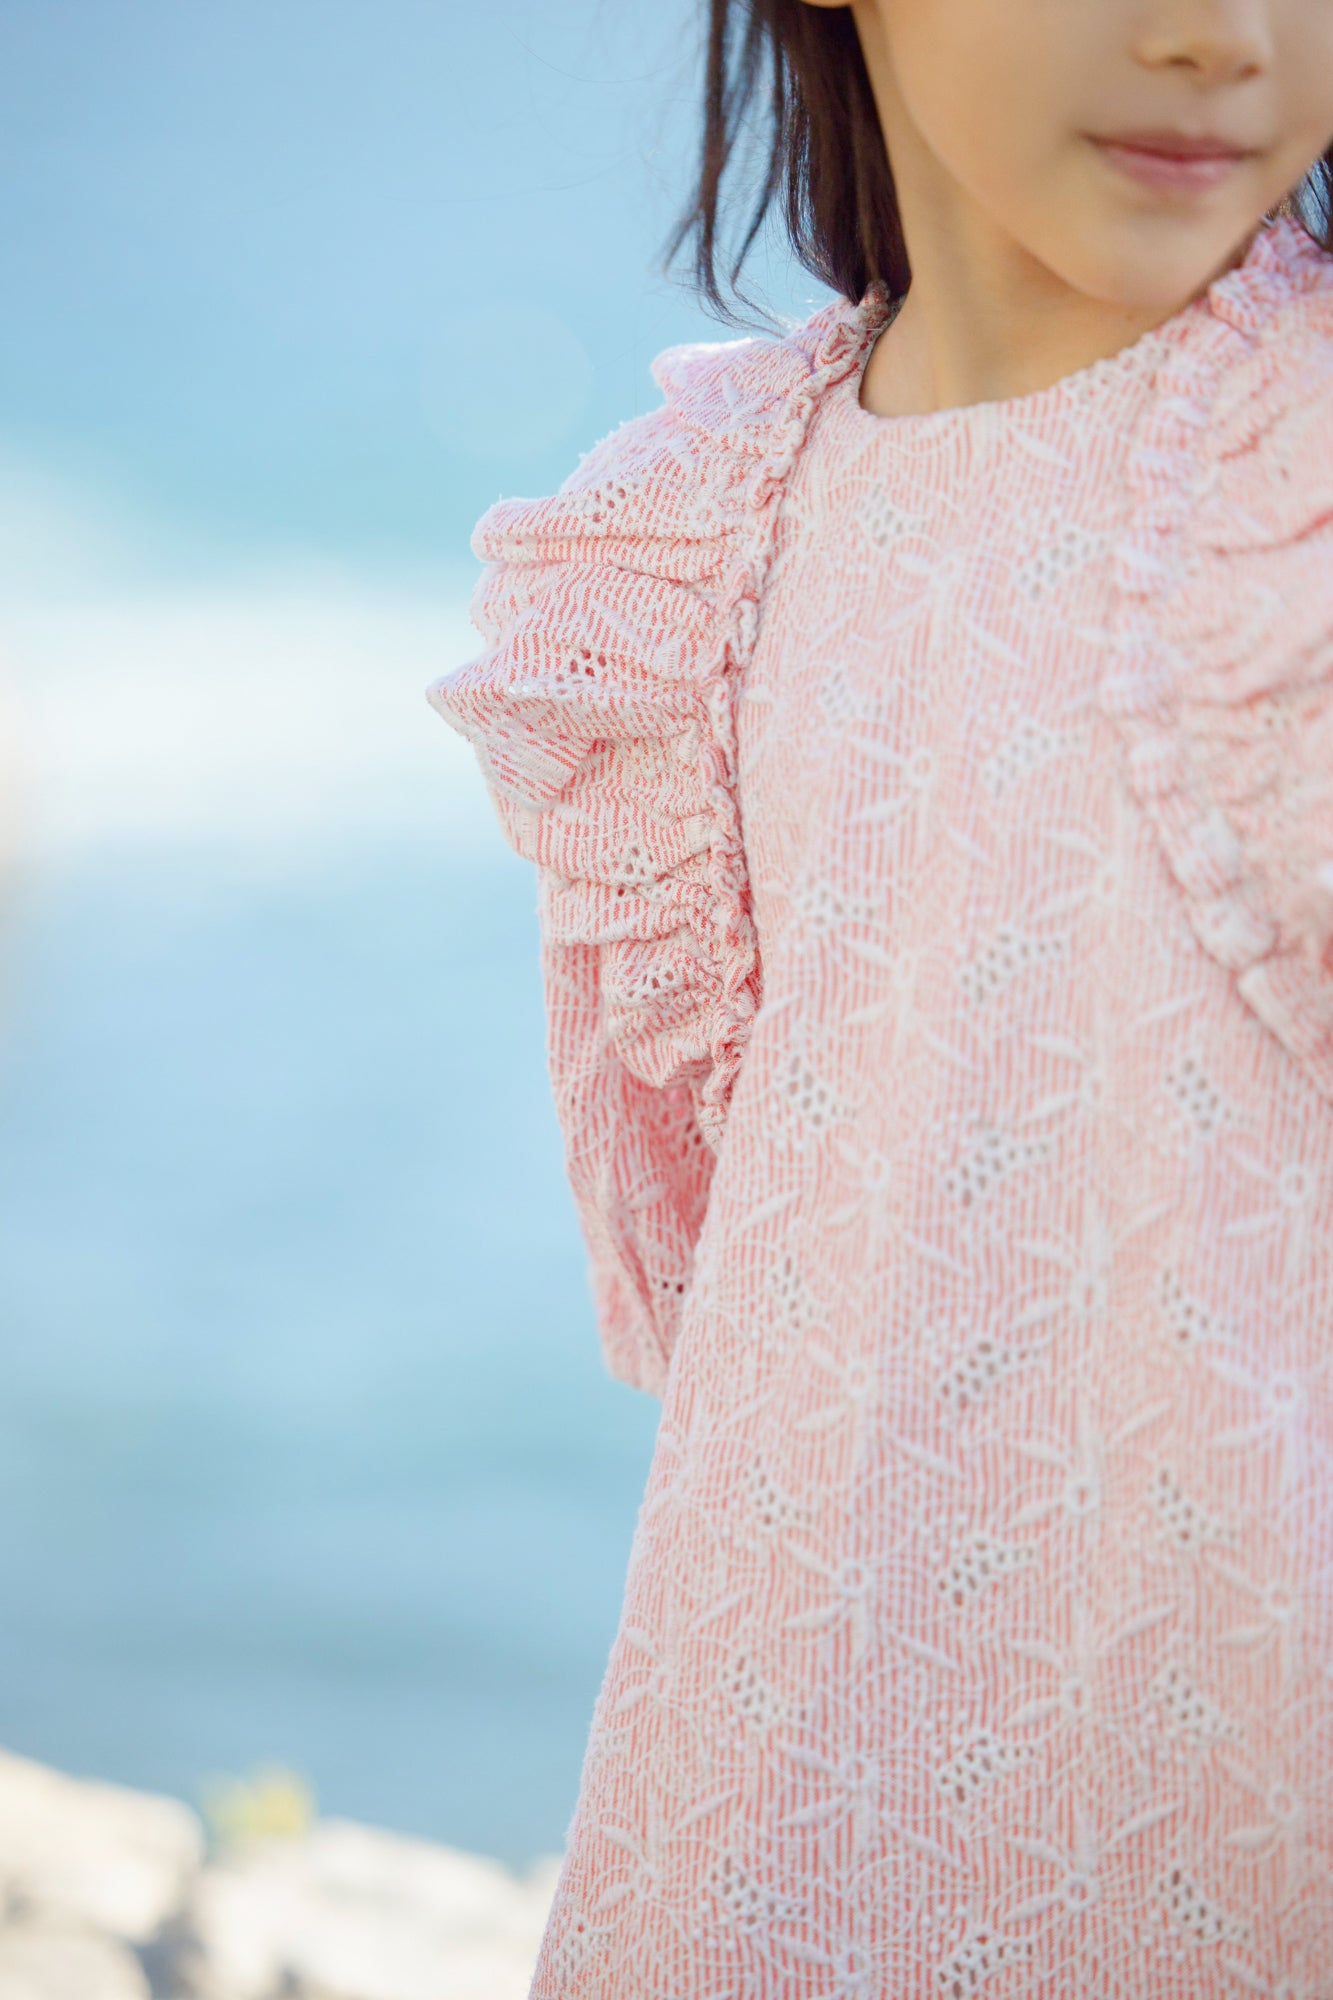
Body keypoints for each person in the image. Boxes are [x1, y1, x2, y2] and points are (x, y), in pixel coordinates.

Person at [428, 1, 1333, 1991]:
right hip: (781, 1797)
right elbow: (760, 1310)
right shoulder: (688, 546)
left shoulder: (1305, 502)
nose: (1224, 36)